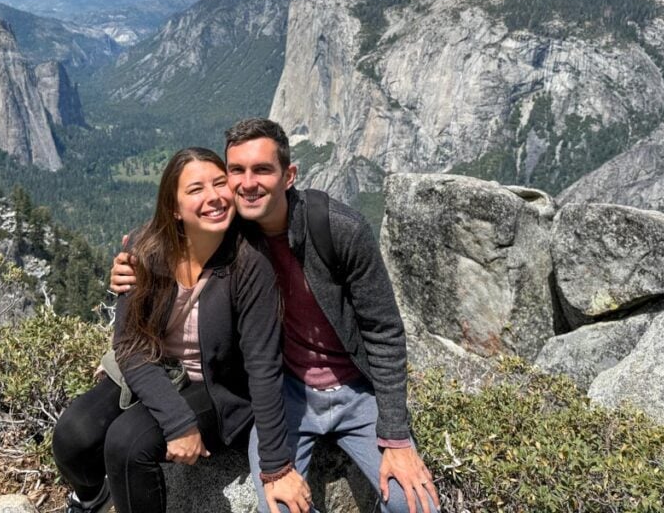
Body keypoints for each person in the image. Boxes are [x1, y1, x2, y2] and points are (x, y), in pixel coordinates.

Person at [111, 120, 440, 513]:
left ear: (289, 175)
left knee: (414, 505)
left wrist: (397, 438)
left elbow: (384, 331)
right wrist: (131, 259)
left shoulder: (340, 230)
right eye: (236, 171)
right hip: (287, 392)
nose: (248, 183)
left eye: (262, 170)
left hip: (357, 392)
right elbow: (175, 224)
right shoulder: (231, 232)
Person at [53, 146, 311, 513]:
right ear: (174, 208)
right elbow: (129, 345)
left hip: (218, 385)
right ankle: (93, 498)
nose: (214, 197)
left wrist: (276, 465)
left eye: (220, 183)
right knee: (72, 437)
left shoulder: (249, 262)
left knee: (127, 445)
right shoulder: (146, 249)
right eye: (195, 190)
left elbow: (263, 365)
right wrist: (176, 420)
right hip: (158, 365)